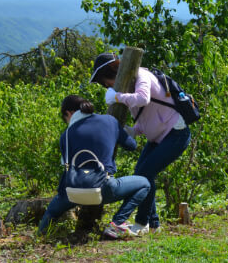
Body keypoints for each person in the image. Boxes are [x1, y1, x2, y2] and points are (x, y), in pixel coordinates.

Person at [90, 52, 191, 235]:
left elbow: (143, 98)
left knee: (144, 174)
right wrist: (133, 130)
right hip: (159, 137)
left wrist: (117, 97)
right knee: (140, 175)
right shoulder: (130, 84)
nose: (108, 86)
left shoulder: (142, 75)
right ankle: (152, 225)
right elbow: (146, 116)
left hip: (176, 133)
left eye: (106, 81)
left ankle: (141, 223)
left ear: (112, 73)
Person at [38, 95, 150, 239]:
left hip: (73, 193)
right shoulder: (110, 121)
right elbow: (132, 146)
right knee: (144, 183)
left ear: (69, 113)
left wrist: (61, 195)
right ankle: (116, 223)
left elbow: (66, 167)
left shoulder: (66, 135)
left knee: (51, 212)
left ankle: (40, 236)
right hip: (104, 188)